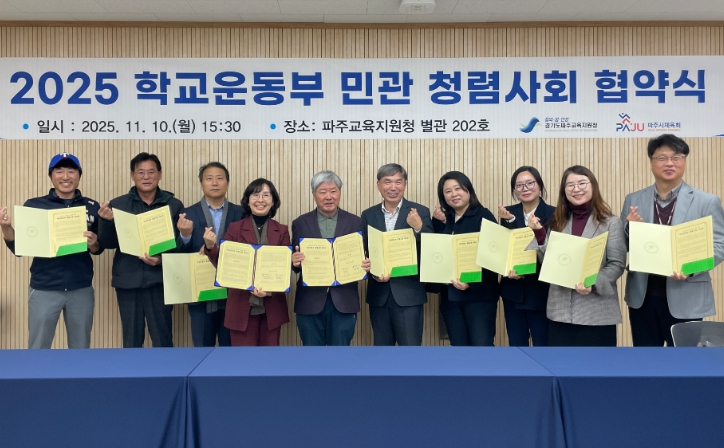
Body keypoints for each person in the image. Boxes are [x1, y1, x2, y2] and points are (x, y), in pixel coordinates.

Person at [621, 134, 724, 346]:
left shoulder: (706, 201)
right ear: (651, 162)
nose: (669, 163)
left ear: (684, 161)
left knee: (685, 361)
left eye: (676, 157)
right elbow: (623, 245)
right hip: (643, 297)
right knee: (646, 359)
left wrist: (691, 268)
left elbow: (719, 245)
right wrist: (630, 228)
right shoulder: (634, 199)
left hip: (687, 296)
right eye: (662, 158)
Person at [0, 153, 102, 349]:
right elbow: (19, 248)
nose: (66, 176)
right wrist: (5, 227)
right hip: (44, 287)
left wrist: (94, 243)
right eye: (59, 171)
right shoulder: (34, 206)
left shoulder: (91, 206)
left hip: (80, 287)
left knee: (81, 348)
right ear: (51, 175)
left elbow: (98, 249)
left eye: (71, 171)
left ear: (79, 175)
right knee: (38, 347)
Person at [529, 165, 626, 347]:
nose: (576, 189)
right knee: (561, 363)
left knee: (597, 364)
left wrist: (593, 283)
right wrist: (540, 234)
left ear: (593, 186)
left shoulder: (611, 223)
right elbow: (549, 263)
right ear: (564, 191)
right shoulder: (557, 222)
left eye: (582, 183)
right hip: (560, 312)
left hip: (597, 314)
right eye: (570, 185)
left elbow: (617, 264)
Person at [97, 152, 184, 348]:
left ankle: (165, 369)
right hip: (128, 281)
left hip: (160, 282)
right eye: (141, 172)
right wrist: (106, 221)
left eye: (151, 172)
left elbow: (181, 245)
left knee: (162, 338)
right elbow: (107, 243)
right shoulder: (118, 205)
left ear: (160, 174)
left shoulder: (173, 205)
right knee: (131, 340)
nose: (146, 177)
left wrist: (161, 259)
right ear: (132, 175)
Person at [204, 178, 290, 346]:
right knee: (243, 358)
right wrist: (210, 246)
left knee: (269, 357)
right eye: (255, 195)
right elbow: (223, 265)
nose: (260, 200)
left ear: (273, 201)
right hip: (241, 305)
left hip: (272, 307)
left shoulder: (282, 230)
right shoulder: (234, 228)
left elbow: (284, 269)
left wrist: (269, 290)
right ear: (248, 200)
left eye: (266, 195)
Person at [291, 171, 371, 346]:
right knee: (312, 355)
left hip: (344, 300)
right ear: (314, 194)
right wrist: (294, 261)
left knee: (340, 355)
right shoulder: (300, 223)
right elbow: (295, 265)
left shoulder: (356, 222)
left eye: (333, 191)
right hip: (309, 301)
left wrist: (367, 264)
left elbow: (366, 256)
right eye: (322, 191)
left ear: (340, 193)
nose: (329, 196)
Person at [361, 163, 433, 346]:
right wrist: (372, 271)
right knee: (382, 351)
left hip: (409, 295)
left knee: (410, 351)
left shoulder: (420, 211)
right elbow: (364, 251)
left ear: (405, 184)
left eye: (398, 182)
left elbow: (432, 250)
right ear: (378, 185)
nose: (393, 187)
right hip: (379, 295)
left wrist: (419, 228)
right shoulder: (368, 215)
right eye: (387, 182)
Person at [176, 162, 245, 347]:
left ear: (227, 183)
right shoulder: (187, 214)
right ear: (201, 184)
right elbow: (177, 254)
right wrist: (185, 235)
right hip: (200, 295)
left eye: (219, 178)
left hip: (233, 295)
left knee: (230, 352)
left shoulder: (241, 213)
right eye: (209, 178)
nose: (214, 183)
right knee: (201, 349)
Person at [431, 171, 498, 346]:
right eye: (448, 191)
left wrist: (471, 283)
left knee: (481, 347)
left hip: (479, 297)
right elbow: (436, 254)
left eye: (458, 188)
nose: (454, 194)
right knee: (459, 349)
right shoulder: (445, 219)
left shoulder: (484, 216)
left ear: (468, 190)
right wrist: (437, 223)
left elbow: (494, 258)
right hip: (450, 298)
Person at [498, 166, 555, 346]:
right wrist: (509, 222)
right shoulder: (508, 213)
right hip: (513, 291)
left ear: (540, 186)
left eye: (530, 183)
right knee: (516, 345)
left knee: (543, 346)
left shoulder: (554, 213)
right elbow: (507, 247)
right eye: (519, 185)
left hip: (541, 291)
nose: (525, 188)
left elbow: (552, 252)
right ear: (514, 190)